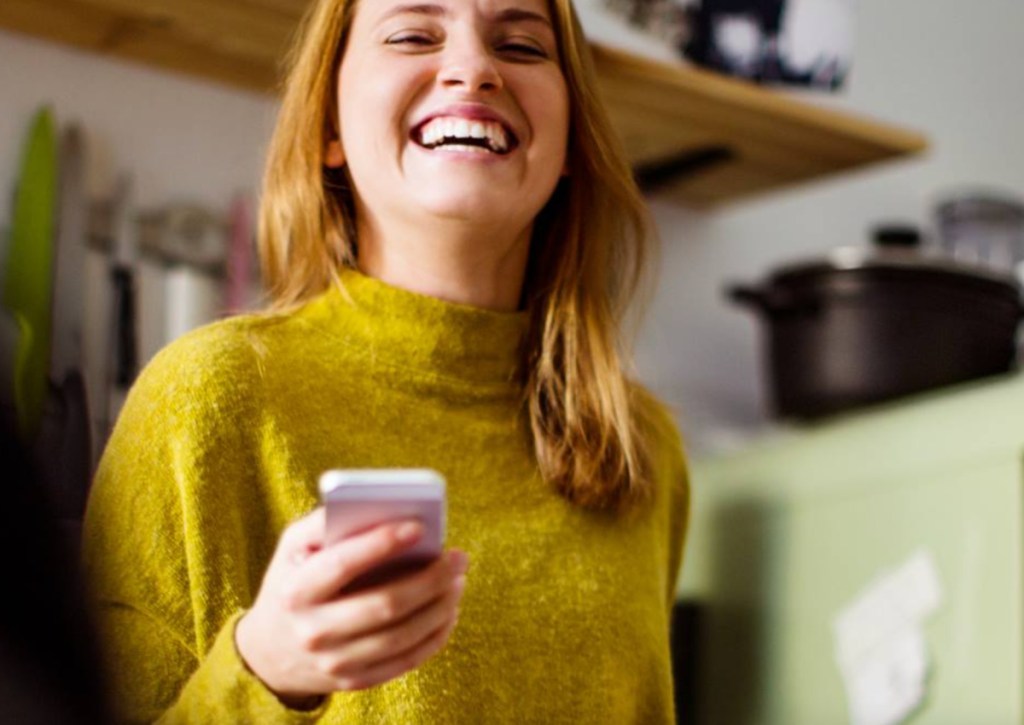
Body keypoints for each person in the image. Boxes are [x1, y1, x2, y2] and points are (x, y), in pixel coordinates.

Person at [82, 0, 691, 722]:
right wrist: (269, 671)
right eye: (411, 36)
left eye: (523, 46)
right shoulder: (209, 396)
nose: (474, 68)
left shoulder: (638, 446)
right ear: (329, 128)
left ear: (569, 146)